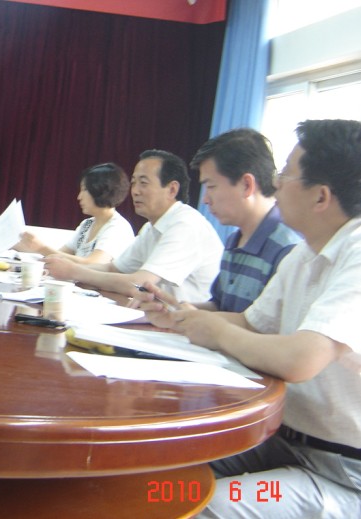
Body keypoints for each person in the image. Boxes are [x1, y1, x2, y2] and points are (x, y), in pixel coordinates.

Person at [141, 120, 360, 518]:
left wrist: (217, 331)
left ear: (321, 196)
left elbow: (301, 359)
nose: (276, 183)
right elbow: (250, 322)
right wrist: (182, 319)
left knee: (205, 505)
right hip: (281, 441)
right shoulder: (305, 253)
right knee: (158, 475)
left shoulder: (355, 250)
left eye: (287, 173)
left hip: (341, 472)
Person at [45, 149, 223, 301]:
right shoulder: (150, 228)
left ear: (172, 189)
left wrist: (75, 272)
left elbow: (140, 283)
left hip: (184, 325)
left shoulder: (185, 225)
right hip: (159, 318)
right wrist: (59, 265)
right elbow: (114, 269)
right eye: (134, 183)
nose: (135, 191)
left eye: (143, 183)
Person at [189, 128, 300, 312]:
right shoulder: (234, 240)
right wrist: (174, 311)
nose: (205, 199)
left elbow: (262, 326)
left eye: (211, 186)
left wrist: (190, 317)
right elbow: (220, 307)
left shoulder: (286, 248)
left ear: (247, 185)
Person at [14, 162, 134, 264]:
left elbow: (93, 264)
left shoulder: (118, 228)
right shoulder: (87, 224)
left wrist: (41, 248)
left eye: (84, 190)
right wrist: (23, 245)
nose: (79, 197)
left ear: (101, 190)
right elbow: (60, 255)